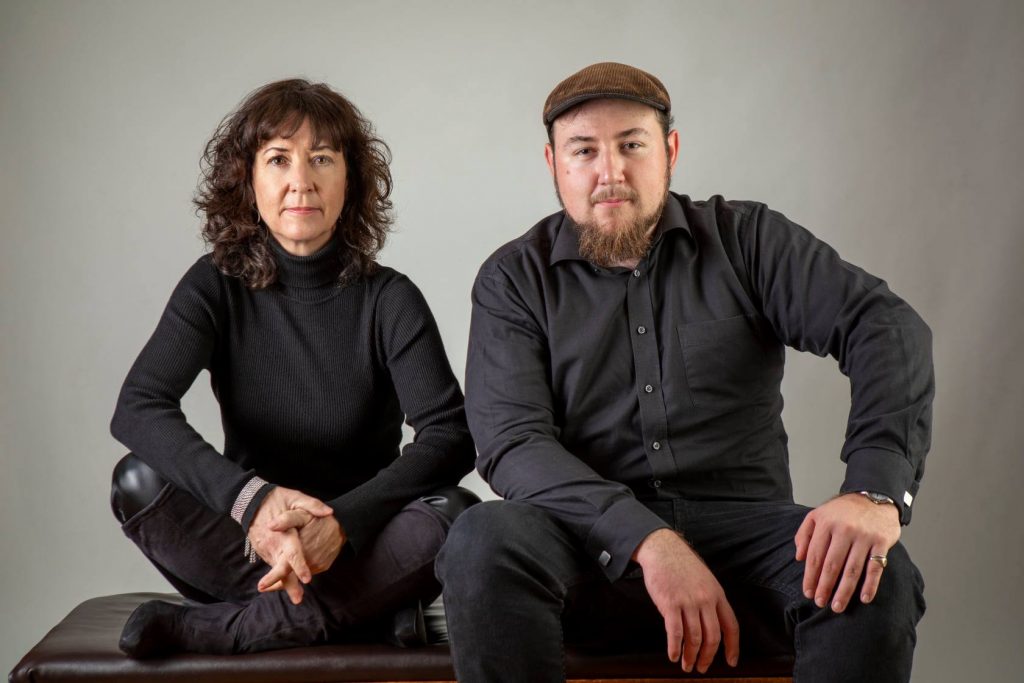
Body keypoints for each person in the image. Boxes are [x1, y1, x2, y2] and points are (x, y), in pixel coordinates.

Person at [437, 62, 931, 682]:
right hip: (586, 553)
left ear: (670, 150)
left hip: (746, 548)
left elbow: (882, 326)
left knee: (876, 578)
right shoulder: (514, 279)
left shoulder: (746, 240)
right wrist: (649, 541)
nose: (610, 172)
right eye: (584, 150)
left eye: (632, 145)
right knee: (482, 539)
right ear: (553, 163)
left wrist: (874, 491)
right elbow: (513, 443)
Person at [109, 78, 477, 658]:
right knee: (135, 482)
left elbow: (451, 436)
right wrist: (252, 501)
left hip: (362, 542)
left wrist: (342, 523)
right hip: (249, 540)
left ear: (350, 180)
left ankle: (220, 629)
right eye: (278, 159)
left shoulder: (390, 299)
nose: (301, 181)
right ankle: (362, 611)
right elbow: (138, 408)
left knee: (457, 516)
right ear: (248, 179)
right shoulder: (213, 286)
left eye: (322, 159)